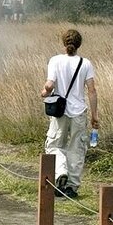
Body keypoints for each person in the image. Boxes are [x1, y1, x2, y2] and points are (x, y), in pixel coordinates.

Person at [40, 29, 98, 198]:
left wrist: (44, 91)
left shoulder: (55, 60)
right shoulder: (85, 63)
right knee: (77, 148)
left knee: (54, 144)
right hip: (79, 111)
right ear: (79, 44)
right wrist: (94, 115)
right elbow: (92, 90)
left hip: (59, 110)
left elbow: (50, 85)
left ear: (64, 43)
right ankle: (72, 187)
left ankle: (61, 172)